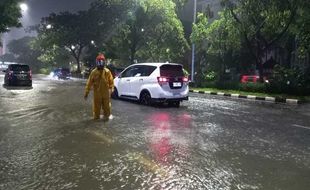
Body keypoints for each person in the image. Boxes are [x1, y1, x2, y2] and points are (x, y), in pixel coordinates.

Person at [84, 53, 114, 121]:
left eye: (102, 62)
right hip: (97, 94)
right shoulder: (94, 72)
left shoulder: (107, 71)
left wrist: (111, 89)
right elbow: (89, 83)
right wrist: (86, 93)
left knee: (107, 108)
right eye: (99, 62)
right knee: (96, 109)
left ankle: (107, 118)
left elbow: (111, 81)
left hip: (106, 94)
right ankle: (96, 119)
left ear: (104, 62)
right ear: (96, 62)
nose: (100, 64)